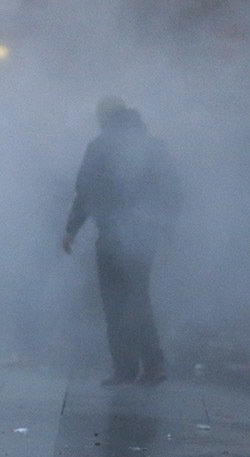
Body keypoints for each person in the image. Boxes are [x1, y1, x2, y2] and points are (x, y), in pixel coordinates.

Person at [62, 97, 182, 386]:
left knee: (115, 303)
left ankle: (124, 369)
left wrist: (71, 229)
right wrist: (166, 226)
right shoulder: (154, 147)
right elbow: (173, 191)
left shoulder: (99, 147)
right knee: (139, 298)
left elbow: (85, 190)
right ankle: (153, 365)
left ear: (103, 118)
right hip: (144, 236)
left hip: (112, 235)